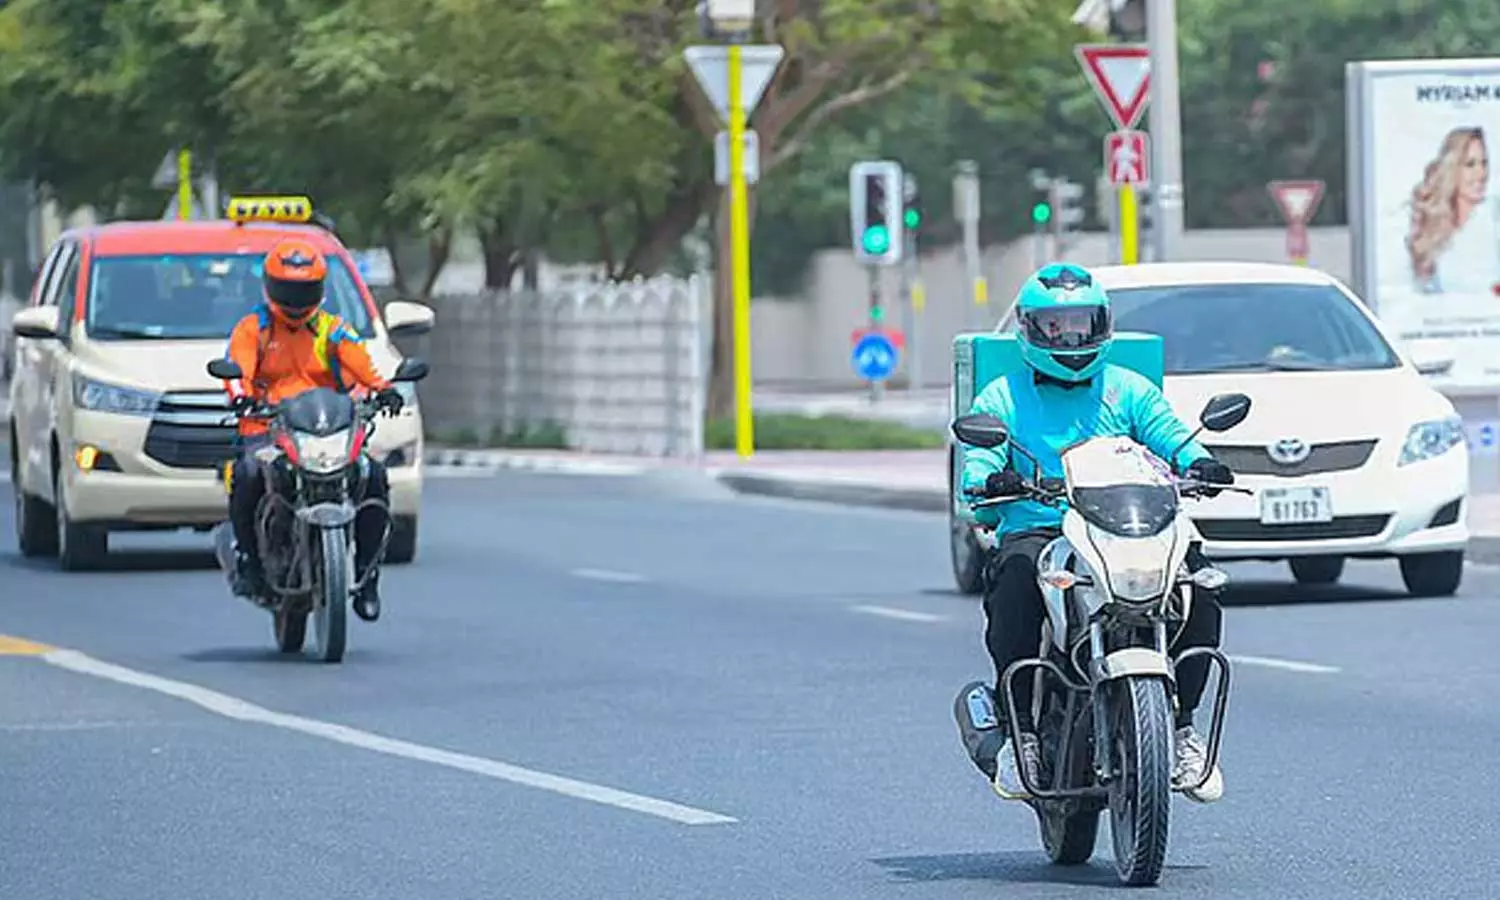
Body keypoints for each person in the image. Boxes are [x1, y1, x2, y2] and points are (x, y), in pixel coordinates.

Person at [951, 263, 1235, 805]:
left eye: (1083, 325)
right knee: (1014, 581)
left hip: (1124, 524)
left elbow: (1172, 437)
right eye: (1057, 328)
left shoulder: (1128, 390)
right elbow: (977, 465)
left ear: (1103, 324)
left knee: (1198, 582)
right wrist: (994, 478)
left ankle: (1180, 729)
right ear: (1031, 331)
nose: (1072, 339)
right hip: (1041, 526)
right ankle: (1020, 734)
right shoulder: (1001, 397)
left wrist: (1202, 463)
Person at [220, 238, 404, 622]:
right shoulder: (253, 330)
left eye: (304, 289)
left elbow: (364, 366)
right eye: (288, 288)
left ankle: (368, 579)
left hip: (329, 431)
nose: (296, 298)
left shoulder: (333, 330)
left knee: (374, 477)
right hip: (268, 429)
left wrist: (384, 390)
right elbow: (237, 370)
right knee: (248, 473)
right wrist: (240, 397)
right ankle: (249, 559)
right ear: (271, 287)